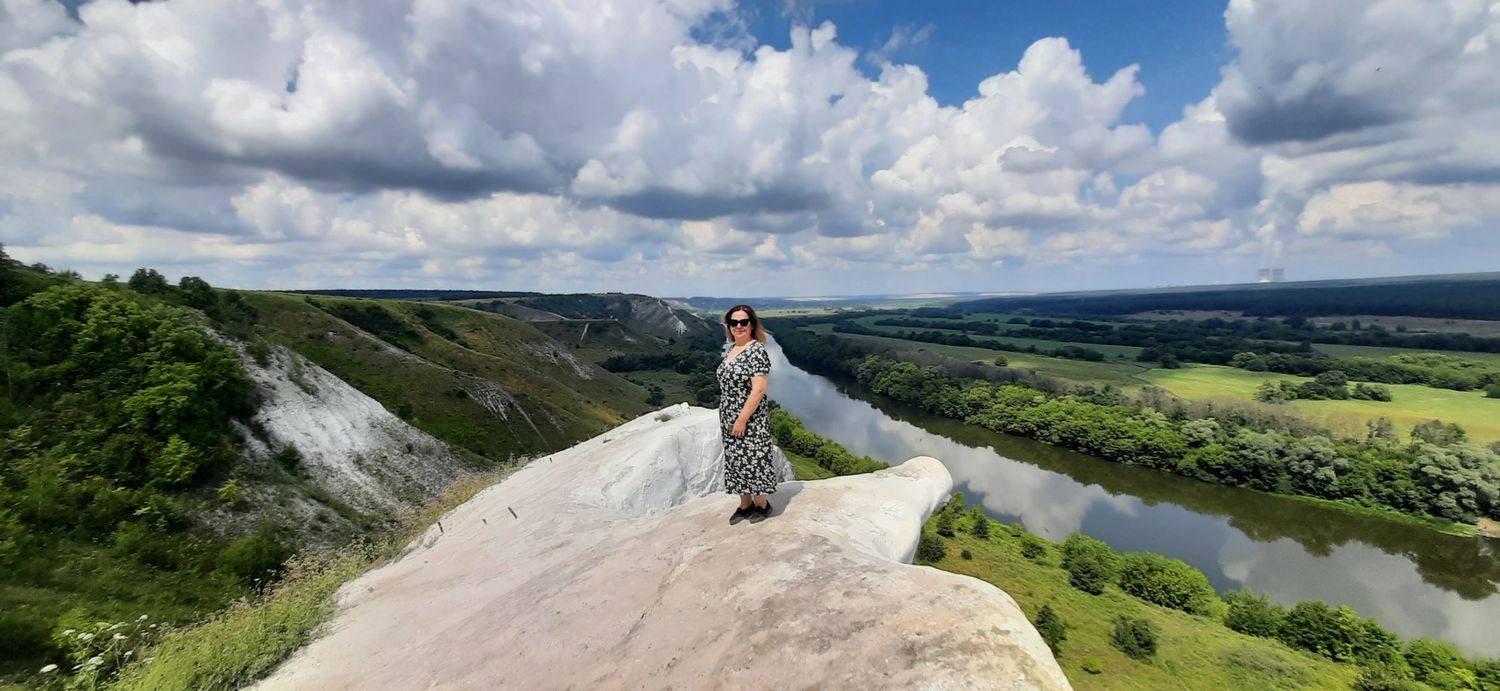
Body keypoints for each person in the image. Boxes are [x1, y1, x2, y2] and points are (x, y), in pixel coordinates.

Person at [717, 304, 777, 523]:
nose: (739, 326)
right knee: (735, 460)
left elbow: (759, 389)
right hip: (728, 416)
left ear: (752, 324)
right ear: (729, 326)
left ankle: (762, 504)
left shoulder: (756, 350)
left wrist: (742, 419)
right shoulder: (731, 349)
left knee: (752, 459)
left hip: (749, 418)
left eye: (744, 322)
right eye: (734, 322)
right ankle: (745, 504)